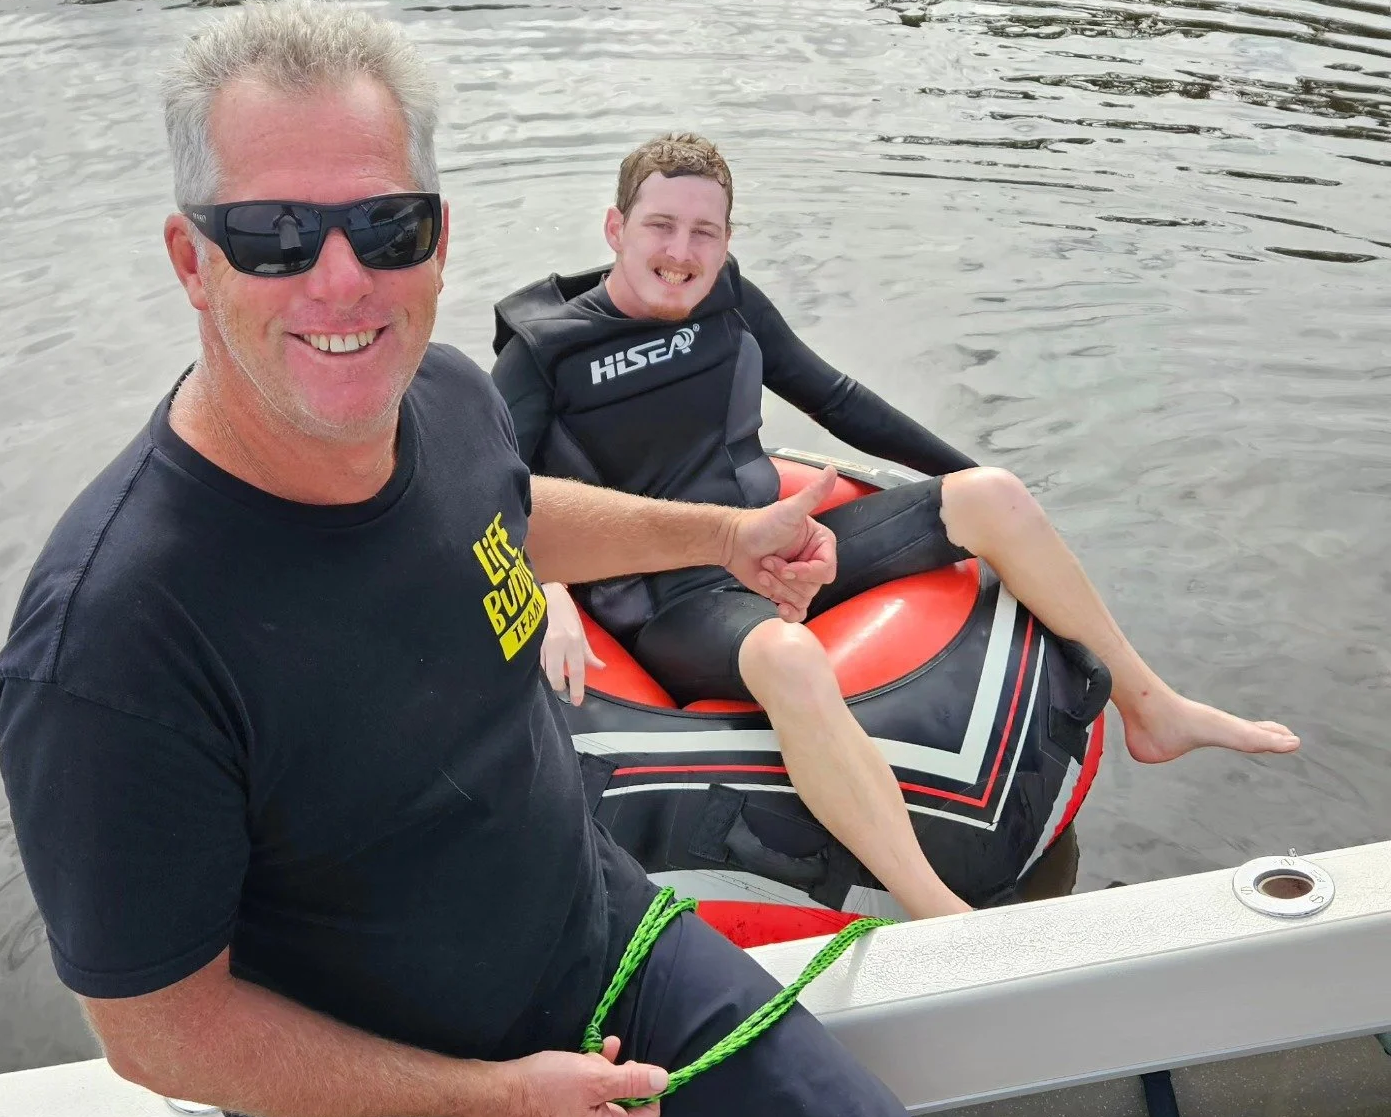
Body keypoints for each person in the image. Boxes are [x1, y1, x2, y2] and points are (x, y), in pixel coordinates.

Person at [0, 0, 992, 1117]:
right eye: (273, 233)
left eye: (385, 225)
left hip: (598, 941)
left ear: (440, 235)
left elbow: (511, 509)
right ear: (189, 258)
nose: (341, 278)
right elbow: (158, 1028)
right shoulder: (113, 646)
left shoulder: (445, 395)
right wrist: (496, 1096)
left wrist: (720, 528)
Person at [491, 134, 1301, 922]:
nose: (681, 250)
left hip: (781, 540)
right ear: (615, 228)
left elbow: (839, 401)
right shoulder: (545, 353)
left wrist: (963, 482)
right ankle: (934, 906)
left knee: (993, 496)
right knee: (789, 655)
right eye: (660, 226)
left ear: (727, 238)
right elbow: (499, 493)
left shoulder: (729, 297)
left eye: (704, 230)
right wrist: (552, 590)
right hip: (674, 600)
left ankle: (1153, 708)